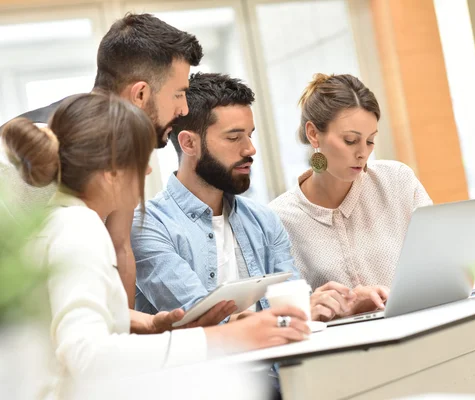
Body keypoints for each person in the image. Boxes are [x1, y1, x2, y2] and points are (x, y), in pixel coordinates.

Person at [1, 93, 310, 397]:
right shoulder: (80, 229)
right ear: (111, 171)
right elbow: (87, 354)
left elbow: (68, 316)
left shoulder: (62, 222)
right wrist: (223, 336)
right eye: (141, 160)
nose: (148, 170)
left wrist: (146, 323)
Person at [0, 14, 230, 327]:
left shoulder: (126, 149)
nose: (185, 109)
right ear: (140, 94)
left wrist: (134, 328)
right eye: (179, 93)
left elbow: (120, 248)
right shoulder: (34, 154)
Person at [269, 73, 475, 317]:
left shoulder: (396, 181)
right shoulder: (279, 219)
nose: (363, 152)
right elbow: (285, 316)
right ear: (313, 134)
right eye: (350, 140)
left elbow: (450, 267)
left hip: (420, 339)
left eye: (370, 140)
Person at [131, 72, 356, 322]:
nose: (250, 149)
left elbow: (294, 302)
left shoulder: (263, 220)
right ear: (189, 144)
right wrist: (295, 311)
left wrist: (345, 304)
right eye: (234, 137)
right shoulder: (147, 225)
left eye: (250, 134)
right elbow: (202, 318)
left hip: (279, 360)